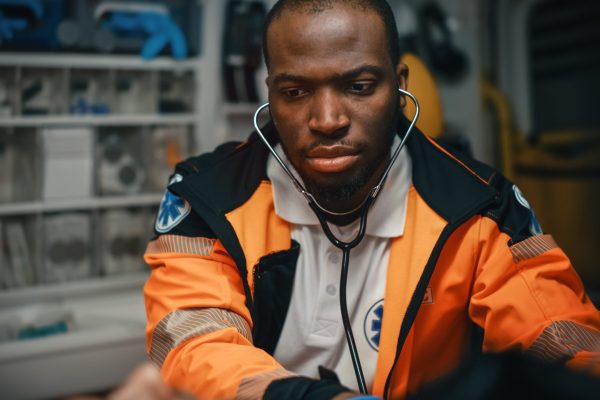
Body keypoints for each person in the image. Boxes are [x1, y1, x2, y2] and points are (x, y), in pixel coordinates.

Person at [143, 1, 600, 399]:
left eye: (359, 86)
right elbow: (194, 344)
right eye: (295, 92)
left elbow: (560, 340)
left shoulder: (481, 208)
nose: (327, 120)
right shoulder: (208, 198)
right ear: (271, 96)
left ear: (399, 87)